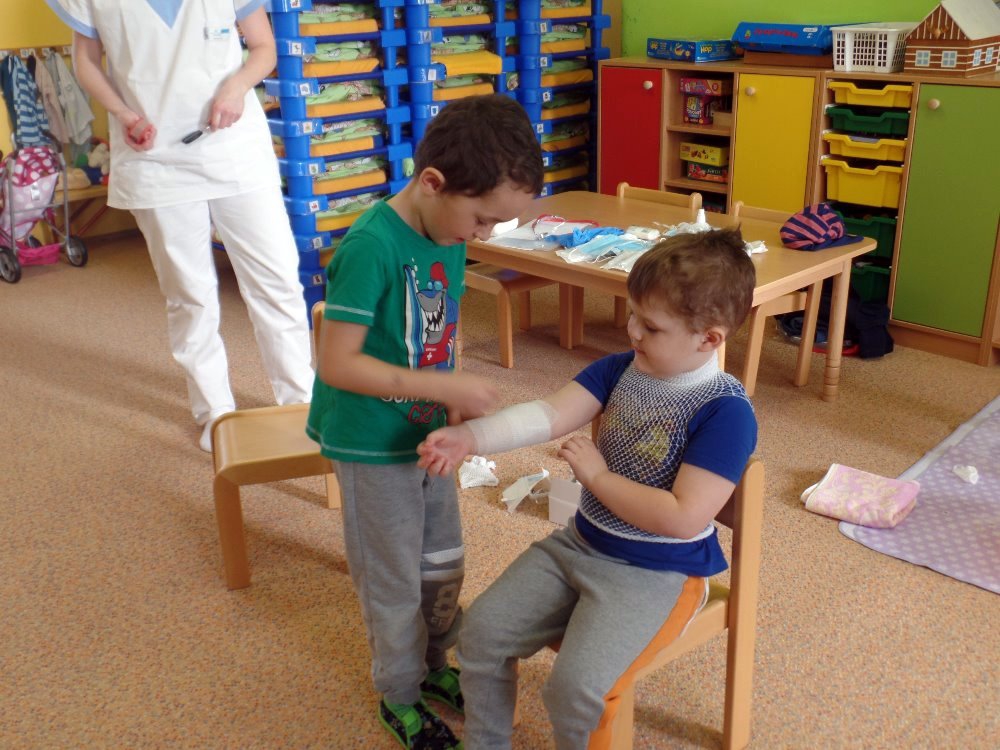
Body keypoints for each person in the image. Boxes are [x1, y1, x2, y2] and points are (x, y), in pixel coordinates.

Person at [417, 227, 759, 750]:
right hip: (580, 545)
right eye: (632, 315)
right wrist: (471, 436)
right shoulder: (621, 369)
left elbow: (684, 517)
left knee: (576, 690)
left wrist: (598, 478)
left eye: (651, 326)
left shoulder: (726, 412)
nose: (632, 332)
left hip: (657, 573)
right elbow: (549, 414)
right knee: (481, 633)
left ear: (709, 339)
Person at [307, 94, 543, 750]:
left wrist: (453, 404)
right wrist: (442, 387)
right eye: (482, 219)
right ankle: (399, 693)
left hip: (426, 438)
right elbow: (337, 362)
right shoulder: (371, 246)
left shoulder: (449, 234)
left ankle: (434, 664)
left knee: (441, 567)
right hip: (369, 444)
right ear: (433, 183)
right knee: (393, 582)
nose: (484, 235)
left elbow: (438, 334)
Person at [47, 0, 314, 451]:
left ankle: (302, 401)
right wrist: (123, 113)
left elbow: (264, 47)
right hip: (153, 155)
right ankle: (215, 412)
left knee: (277, 280)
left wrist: (236, 87)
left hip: (234, 148)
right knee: (189, 294)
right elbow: (86, 62)